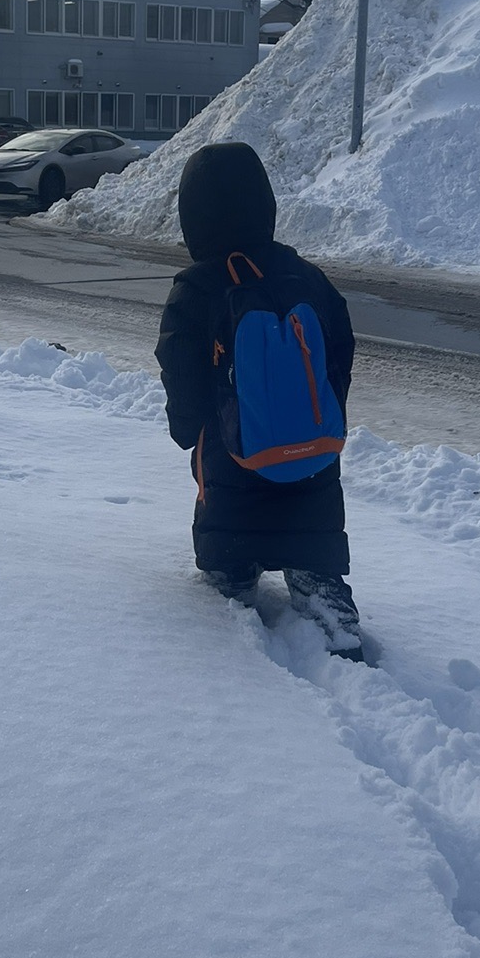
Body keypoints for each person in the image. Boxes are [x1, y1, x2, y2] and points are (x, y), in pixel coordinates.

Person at [155, 141, 364, 662]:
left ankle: (234, 582)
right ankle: (324, 600)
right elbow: (340, 341)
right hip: (313, 450)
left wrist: (188, 428)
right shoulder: (305, 275)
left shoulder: (197, 288)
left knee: (229, 533)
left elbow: (179, 365)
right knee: (312, 532)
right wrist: (323, 405)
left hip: (231, 453)